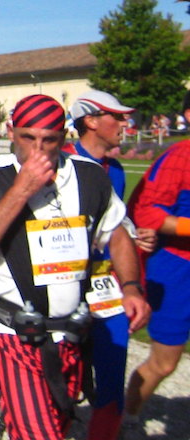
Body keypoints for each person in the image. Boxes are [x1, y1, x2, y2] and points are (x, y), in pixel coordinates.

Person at [0, 94, 149, 440]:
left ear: (64, 138)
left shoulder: (88, 177)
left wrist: (131, 287)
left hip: (71, 329)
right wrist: (20, 190)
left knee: (60, 424)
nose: (38, 149)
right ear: (12, 132)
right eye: (28, 138)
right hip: (13, 328)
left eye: (49, 140)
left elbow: (116, 232)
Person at [53, 89, 152, 440]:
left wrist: (134, 236)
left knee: (111, 373)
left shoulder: (118, 171)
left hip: (106, 286)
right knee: (63, 377)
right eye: (117, 116)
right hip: (62, 286)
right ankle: (15, 404)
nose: (125, 123)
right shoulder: (60, 163)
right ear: (91, 121)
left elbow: (116, 224)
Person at [124, 90, 190, 428]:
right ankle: (127, 418)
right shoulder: (178, 158)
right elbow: (146, 213)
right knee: (164, 363)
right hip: (177, 267)